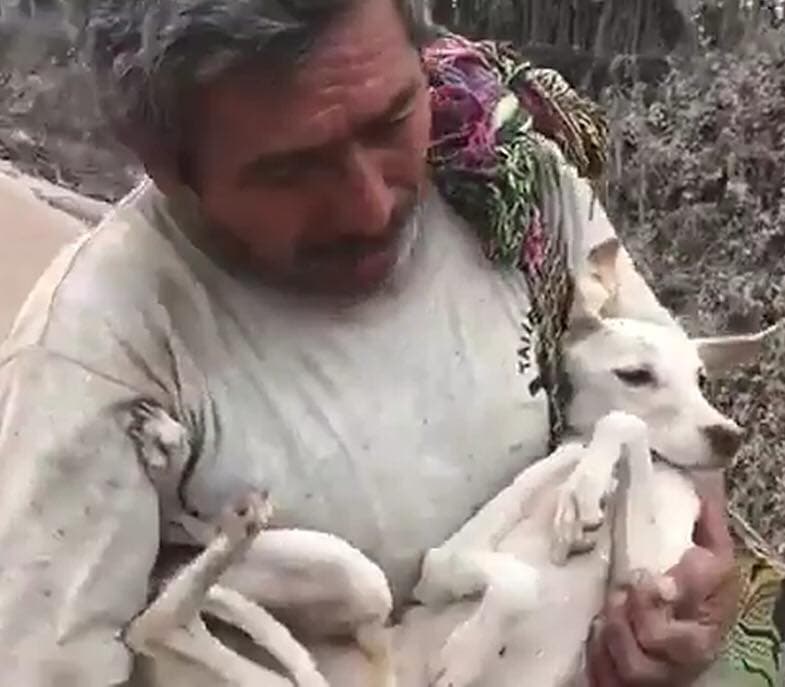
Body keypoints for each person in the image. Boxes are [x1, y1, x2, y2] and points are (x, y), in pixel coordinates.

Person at [0, 1, 739, 685]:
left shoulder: (504, 172)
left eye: (389, 122)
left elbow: (667, 399)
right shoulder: (104, 351)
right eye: (292, 168)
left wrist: (686, 593)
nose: (370, 205)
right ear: (166, 166)